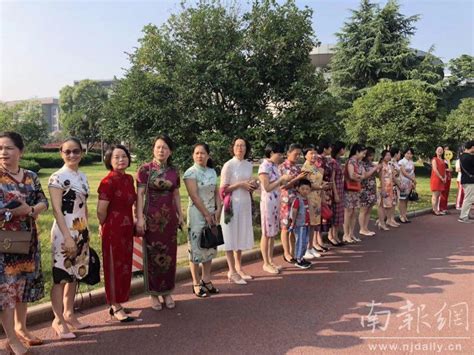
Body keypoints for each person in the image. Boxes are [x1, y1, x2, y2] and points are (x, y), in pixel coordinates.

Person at [0, 132, 48, 354]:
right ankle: (11, 338)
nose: (3, 152)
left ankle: (22, 328)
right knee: (8, 289)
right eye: (0, 148)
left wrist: (28, 210)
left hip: (29, 240)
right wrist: (13, 213)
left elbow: (42, 200)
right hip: (5, 242)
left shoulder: (30, 176)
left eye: (8, 148)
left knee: (24, 285)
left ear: (20, 151)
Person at [48, 137, 90, 339]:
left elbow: (84, 205)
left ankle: (69, 313)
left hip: (80, 230)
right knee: (61, 276)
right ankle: (58, 320)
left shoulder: (82, 176)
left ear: (81, 153)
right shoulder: (57, 177)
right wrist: (68, 237)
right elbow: (57, 209)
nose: (72, 155)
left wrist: (85, 231)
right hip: (64, 232)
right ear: (61, 154)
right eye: (68, 152)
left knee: (74, 275)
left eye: (76, 151)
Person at [136, 135, 183, 310]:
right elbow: (140, 195)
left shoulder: (174, 171)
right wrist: (140, 217)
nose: (161, 150)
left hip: (169, 220)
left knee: (170, 256)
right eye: (158, 147)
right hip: (152, 219)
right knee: (153, 255)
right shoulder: (145, 170)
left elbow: (176, 194)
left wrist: (180, 215)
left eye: (164, 147)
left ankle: (168, 291)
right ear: (153, 149)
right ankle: (154, 294)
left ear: (170, 151)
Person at [97, 145, 135, 322]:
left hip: (127, 228)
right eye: (116, 157)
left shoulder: (129, 179)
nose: (121, 160)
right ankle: (114, 304)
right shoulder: (107, 182)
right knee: (113, 266)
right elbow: (101, 210)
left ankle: (119, 300)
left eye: (124, 156)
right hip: (113, 229)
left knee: (125, 265)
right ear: (109, 161)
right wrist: (102, 225)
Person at [183, 143, 222, 297]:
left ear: (208, 155)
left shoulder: (212, 171)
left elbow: (216, 192)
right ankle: (196, 283)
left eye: (203, 153)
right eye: (197, 153)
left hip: (212, 214)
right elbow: (194, 196)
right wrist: (206, 214)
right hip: (197, 215)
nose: (200, 156)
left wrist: (218, 209)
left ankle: (207, 279)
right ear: (193, 155)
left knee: (210, 246)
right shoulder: (190, 173)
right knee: (196, 249)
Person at [220, 138, 256, 285]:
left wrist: (253, 184)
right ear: (233, 148)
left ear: (246, 148)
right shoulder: (228, 165)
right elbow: (223, 189)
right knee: (230, 235)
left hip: (245, 204)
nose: (240, 148)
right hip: (232, 205)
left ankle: (239, 267)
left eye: (243, 145)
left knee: (241, 234)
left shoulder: (248, 165)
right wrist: (240, 184)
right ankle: (231, 271)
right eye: (237, 145)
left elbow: (250, 184)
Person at [258, 142, 291, 274]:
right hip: (267, 203)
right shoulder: (264, 166)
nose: (281, 156)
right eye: (279, 153)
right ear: (271, 153)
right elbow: (267, 187)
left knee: (272, 234)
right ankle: (265, 262)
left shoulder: (274, 166)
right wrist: (281, 179)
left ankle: (270, 260)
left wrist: (284, 180)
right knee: (266, 233)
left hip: (275, 202)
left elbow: (277, 185)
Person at [279, 144, 308, 263]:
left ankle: (293, 251)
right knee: (285, 227)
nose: (297, 156)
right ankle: (286, 253)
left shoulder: (297, 168)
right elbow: (283, 186)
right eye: (295, 154)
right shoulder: (281, 167)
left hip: (297, 201)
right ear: (288, 153)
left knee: (294, 225)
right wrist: (297, 179)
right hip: (286, 200)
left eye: (299, 154)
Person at [301, 145, 328, 259]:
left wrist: (322, 189)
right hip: (309, 198)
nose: (313, 155)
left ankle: (311, 247)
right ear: (305, 155)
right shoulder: (305, 168)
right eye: (311, 153)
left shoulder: (315, 167)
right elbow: (307, 185)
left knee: (314, 225)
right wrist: (321, 187)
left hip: (317, 199)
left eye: (315, 153)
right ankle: (305, 249)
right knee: (308, 224)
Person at [342, 144, 366, 243]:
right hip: (349, 190)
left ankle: (351, 234)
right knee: (348, 212)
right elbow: (352, 175)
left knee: (355, 212)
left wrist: (359, 176)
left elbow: (363, 175)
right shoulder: (351, 161)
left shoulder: (359, 163)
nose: (364, 155)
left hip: (356, 189)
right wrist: (359, 176)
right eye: (363, 153)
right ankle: (346, 234)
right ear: (357, 151)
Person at [289, 179, 312, 269]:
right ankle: (298, 259)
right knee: (300, 242)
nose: (305, 191)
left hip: (306, 224)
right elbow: (294, 212)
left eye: (307, 189)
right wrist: (293, 223)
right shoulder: (297, 200)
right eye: (303, 189)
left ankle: (301, 257)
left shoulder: (307, 200)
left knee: (305, 242)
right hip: (300, 225)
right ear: (298, 189)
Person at [358, 147, 380, 236]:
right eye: (370, 155)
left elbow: (375, 174)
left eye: (372, 155)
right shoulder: (361, 164)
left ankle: (366, 227)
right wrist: (374, 169)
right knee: (364, 209)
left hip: (371, 188)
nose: (372, 157)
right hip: (364, 188)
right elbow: (365, 175)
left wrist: (377, 169)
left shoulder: (371, 164)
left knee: (369, 209)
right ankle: (362, 228)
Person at [328, 141, 346, 246]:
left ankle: (335, 236)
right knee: (334, 214)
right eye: (343, 148)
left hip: (340, 188)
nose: (344, 151)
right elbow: (332, 179)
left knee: (339, 214)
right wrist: (335, 194)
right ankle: (331, 236)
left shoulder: (338, 161)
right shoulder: (333, 162)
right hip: (336, 190)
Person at [376, 150, 398, 230]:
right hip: (383, 187)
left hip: (390, 187)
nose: (388, 157)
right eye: (387, 155)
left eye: (389, 155)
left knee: (389, 206)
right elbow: (380, 177)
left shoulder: (389, 165)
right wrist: (382, 189)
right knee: (381, 206)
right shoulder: (381, 165)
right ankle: (381, 222)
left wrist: (398, 184)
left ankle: (387, 220)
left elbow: (393, 176)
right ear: (383, 156)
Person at [398, 148, 416, 223]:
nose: (409, 155)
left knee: (406, 200)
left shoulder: (412, 162)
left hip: (409, 183)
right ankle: (401, 215)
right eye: (407, 153)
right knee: (402, 200)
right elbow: (404, 173)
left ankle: (404, 215)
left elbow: (413, 173)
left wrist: (413, 182)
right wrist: (412, 179)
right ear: (404, 153)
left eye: (410, 154)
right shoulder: (401, 162)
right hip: (403, 182)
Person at [458, 140, 474, 224]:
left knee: (469, 198)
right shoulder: (470, 157)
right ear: (472, 147)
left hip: (465, 179)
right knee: (468, 199)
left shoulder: (462, 156)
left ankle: (466, 214)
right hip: (470, 181)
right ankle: (463, 216)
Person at [430, 146, 446, 216]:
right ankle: (434, 209)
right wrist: (441, 177)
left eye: (441, 150)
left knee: (438, 195)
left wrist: (444, 177)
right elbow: (435, 169)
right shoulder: (434, 159)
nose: (440, 151)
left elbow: (444, 170)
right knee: (435, 195)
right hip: (436, 179)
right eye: (438, 150)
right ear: (436, 151)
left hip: (442, 179)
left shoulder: (443, 160)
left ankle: (436, 208)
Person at [388, 147, 401, 227]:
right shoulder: (391, 163)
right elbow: (393, 176)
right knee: (392, 203)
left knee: (394, 203)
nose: (400, 155)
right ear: (396, 154)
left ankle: (392, 219)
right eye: (399, 153)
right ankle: (389, 219)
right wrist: (399, 184)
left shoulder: (396, 162)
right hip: (392, 185)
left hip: (395, 185)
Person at [439, 146, 453, 214]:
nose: (447, 151)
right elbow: (439, 169)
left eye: (448, 150)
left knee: (447, 192)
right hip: (443, 177)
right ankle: (441, 207)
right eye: (445, 150)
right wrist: (447, 170)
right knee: (443, 193)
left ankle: (445, 207)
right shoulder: (441, 160)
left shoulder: (449, 160)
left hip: (449, 178)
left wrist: (450, 169)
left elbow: (451, 169)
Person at [455, 146, 465, 210]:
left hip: (465, 178)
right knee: (460, 192)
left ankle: (462, 204)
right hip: (460, 178)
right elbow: (457, 169)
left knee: (464, 192)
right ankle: (458, 205)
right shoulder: (459, 160)